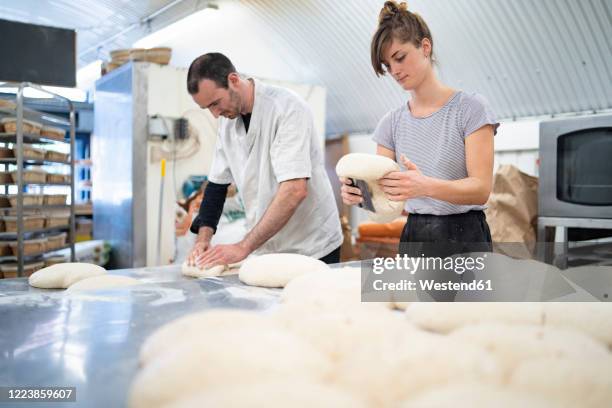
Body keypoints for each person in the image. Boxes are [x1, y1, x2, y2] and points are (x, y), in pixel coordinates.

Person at [341, 1, 498, 258]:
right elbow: (384, 198)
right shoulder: (390, 123)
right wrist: (360, 196)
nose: (394, 71)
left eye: (399, 58)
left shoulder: (471, 109)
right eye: (387, 65)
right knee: (413, 301)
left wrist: (424, 186)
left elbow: (481, 189)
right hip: (414, 235)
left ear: (425, 47)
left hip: (467, 235)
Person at [186, 52, 343, 268]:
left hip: (311, 245)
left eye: (215, 103)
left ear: (233, 80)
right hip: (267, 248)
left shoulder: (287, 109)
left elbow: (294, 190)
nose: (215, 114)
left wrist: (243, 247)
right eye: (208, 108)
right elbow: (216, 185)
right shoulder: (227, 120)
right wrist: (203, 240)